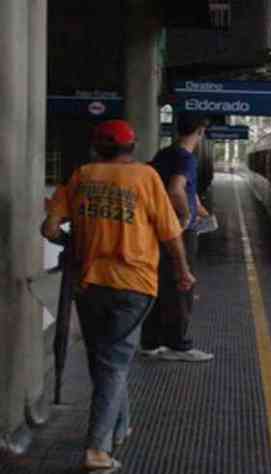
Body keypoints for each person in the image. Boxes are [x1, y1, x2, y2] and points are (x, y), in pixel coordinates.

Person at [41, 120, 195, 471]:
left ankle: (119, 427)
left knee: (105, 359)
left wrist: (74, 245)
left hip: (90, 283)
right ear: (133, 146)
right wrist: (183, 272)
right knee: (113, 362)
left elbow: (49, 229)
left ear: (97, 147)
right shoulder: (145, 178)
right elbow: (170, 235)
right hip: (133, 284)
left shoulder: (81, 176)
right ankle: (96, 449)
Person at [140, 113, 214, 362]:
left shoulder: (164, 154)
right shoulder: (186, 158)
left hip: (156, 228)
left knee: (159, 285)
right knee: (182, 286)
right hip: (179, 232)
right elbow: (176, 189)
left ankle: (150, 341)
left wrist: (200, 210)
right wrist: (185, 217)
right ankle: (178, 345)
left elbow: (181, 190)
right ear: (200, 132)